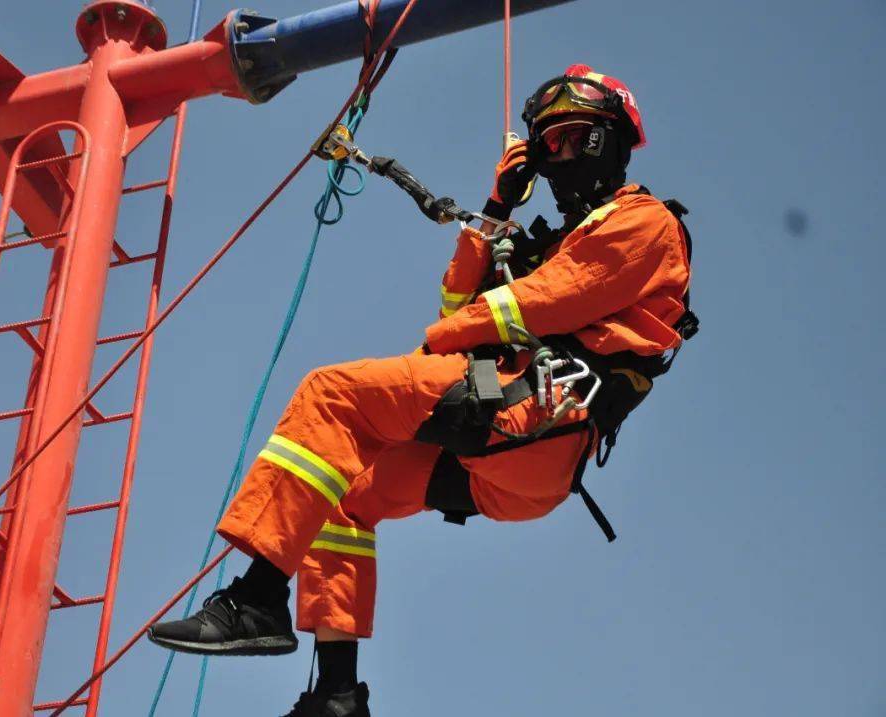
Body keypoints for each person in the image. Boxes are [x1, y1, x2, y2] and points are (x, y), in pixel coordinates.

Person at [148, 64, 695, 717]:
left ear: (611, 139)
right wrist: (497, 208)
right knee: (345, 493)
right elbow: (460, 296)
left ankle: (256, 598)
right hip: (517, 449)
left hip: (538, 403)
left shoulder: (643, 222)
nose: (558, 156)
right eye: (546, 144)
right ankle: (337, 695)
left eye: (572, 138)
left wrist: (435, 348)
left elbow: (535, 305)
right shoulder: (556, 242)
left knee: (331, 394)